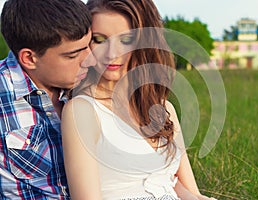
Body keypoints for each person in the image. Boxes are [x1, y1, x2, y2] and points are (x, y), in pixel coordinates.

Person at [61, 0, 217, 199]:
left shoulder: (163, 107)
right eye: (100, 40)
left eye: (125, 41)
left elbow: (189, 191)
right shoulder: (82, 111)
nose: (112, 54)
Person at [0, 0, 96, 199]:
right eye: (73, 55)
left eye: (89, 44)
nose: (91, 59)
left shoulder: (94, 82)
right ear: (29, 58)